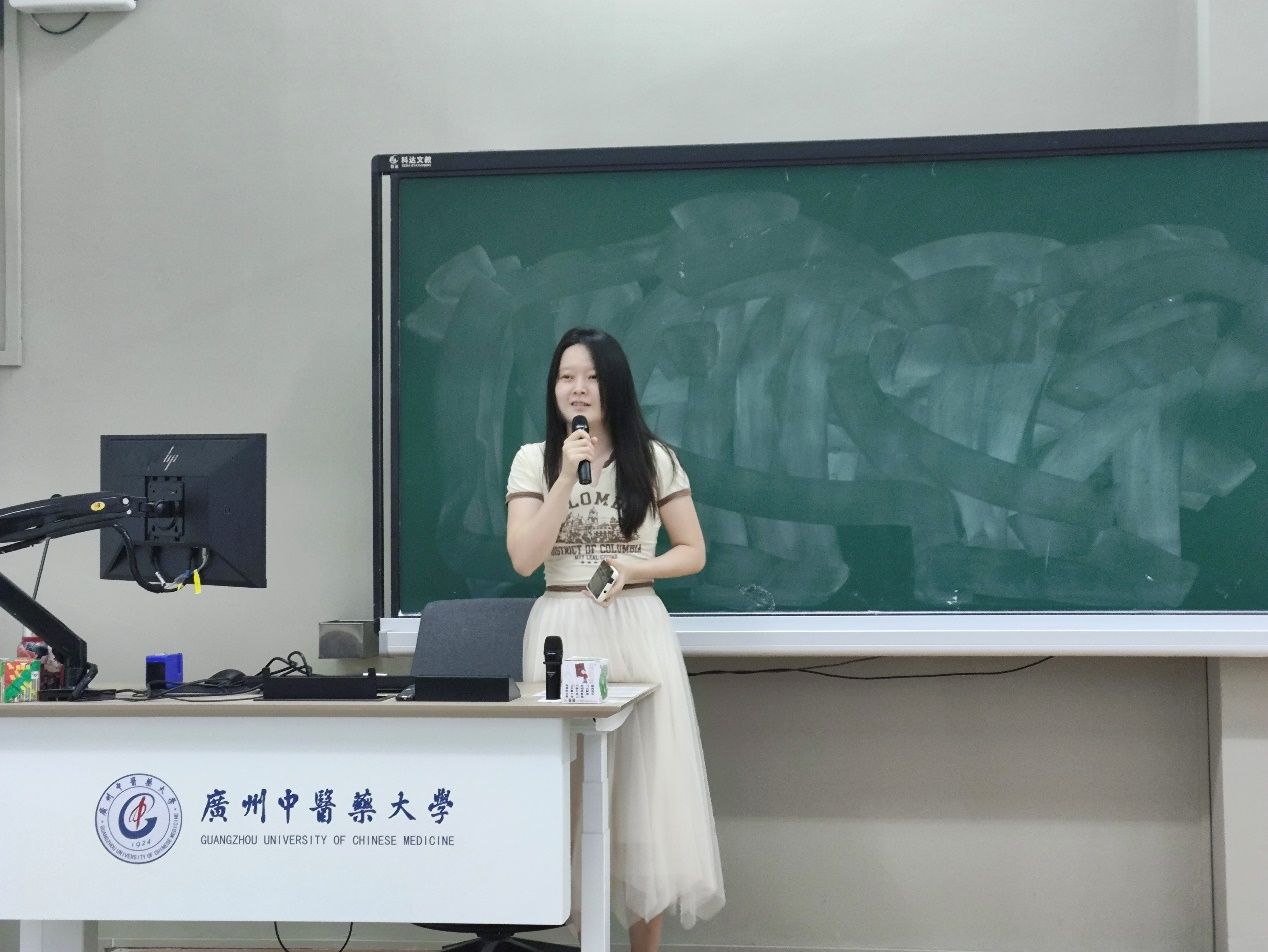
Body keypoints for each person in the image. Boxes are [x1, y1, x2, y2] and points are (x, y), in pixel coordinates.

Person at [506, 327, 725, 952]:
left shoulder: (653, 459)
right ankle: (586, 940)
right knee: (570, 792)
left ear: (616, 385)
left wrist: (636, 567)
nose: (578, 389)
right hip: (562, 628)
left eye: (592, 377)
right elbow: (524, 558)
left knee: (642, 796)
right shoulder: (532, 459)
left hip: (634, 625)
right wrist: (564, 480)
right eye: (566, 377)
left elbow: (692, 550)